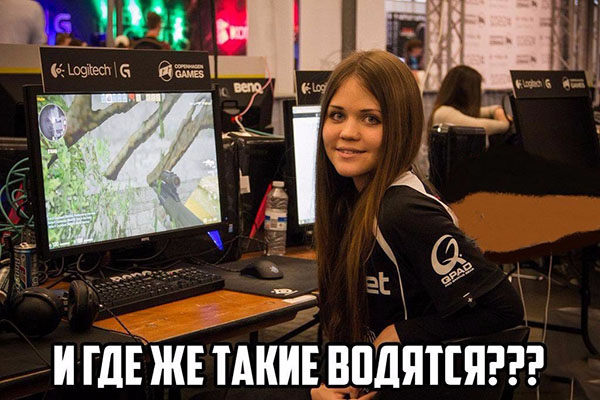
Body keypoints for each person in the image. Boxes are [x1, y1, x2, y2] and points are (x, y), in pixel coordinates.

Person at [311, 50, 523, 399]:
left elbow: (504, 309)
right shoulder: (353, 200)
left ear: (401, 127)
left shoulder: (402, 211)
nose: (347, 132)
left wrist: (404, 333)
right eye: (337, 115)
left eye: (371, 119)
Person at [428, 65, 510, 136]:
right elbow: (481, 127)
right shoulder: (444, 113)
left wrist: (496, 110)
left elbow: (485, 111)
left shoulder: (448, 110)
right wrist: (505, 123)